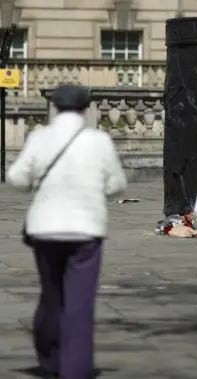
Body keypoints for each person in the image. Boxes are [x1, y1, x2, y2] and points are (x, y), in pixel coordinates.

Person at [7, 84, 127, 379]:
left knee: (51, 294)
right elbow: (116, 186)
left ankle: (49, 357)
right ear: (86, 108)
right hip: (85, 231)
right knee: (79, 302)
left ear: (55, 106)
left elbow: (16, 178)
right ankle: (75, 369)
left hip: (45, 230)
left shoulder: (40, 137)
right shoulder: (99, 140)